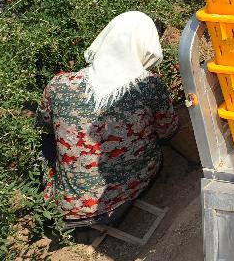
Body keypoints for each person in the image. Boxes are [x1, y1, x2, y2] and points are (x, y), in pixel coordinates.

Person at [37, 11, 179, 226]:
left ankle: (58, 196)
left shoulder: (59, 84)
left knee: (48, 140)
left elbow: (44, 124)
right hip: (116, 198)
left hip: (66, 205)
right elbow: (168, 129)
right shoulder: (149, 85)